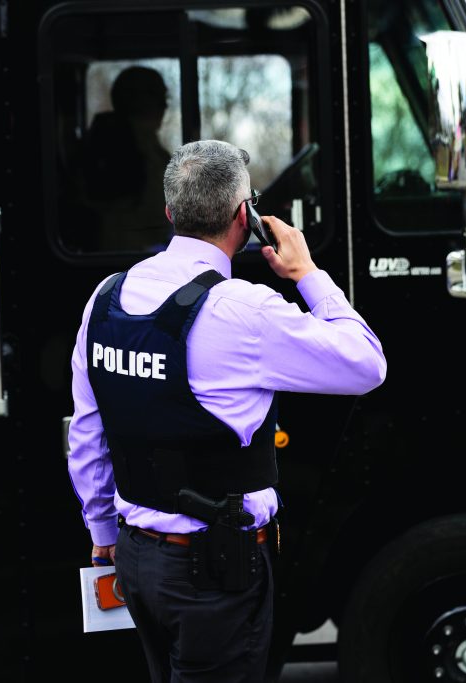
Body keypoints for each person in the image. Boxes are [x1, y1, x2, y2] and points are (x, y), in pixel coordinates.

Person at [67, 140, 386, 682]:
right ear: (246, 216)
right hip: (213, 572)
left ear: (170, 213)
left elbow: (88, 433)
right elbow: (367, 364)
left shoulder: (107, 297)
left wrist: (102, 534)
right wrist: (306, 271)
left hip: (135, 558)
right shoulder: (243, 308)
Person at [81, 66, 173, 252]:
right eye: (156, 96)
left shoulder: (148, 145)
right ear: (134, 99)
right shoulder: (114, 147)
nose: (164, 105)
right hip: (127, 258)